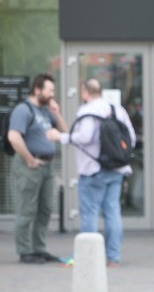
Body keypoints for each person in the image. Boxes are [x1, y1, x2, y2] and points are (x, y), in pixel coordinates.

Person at [54, 79, 136, 266]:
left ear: (85, 92)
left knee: (90, 213)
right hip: (116, 168)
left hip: (93, 170)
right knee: (113, 212)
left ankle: (88, 259)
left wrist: (61, 137)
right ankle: (113, 258)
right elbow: (130, 137)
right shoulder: (117, 109)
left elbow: (84, 137)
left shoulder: (87, 111)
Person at [7, 74, 68, 264]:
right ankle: (25, 251)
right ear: (37, 90)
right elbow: (13, 136)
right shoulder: (23, 110)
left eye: (53, 91)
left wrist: (56, 112)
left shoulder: (45, 110)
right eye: (49, 91)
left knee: (45, 209)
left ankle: (39, 248)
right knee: (27, 209)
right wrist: (30, 159)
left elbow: (65, 132)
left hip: (47, 166)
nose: (52, 95)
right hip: (30, 165)